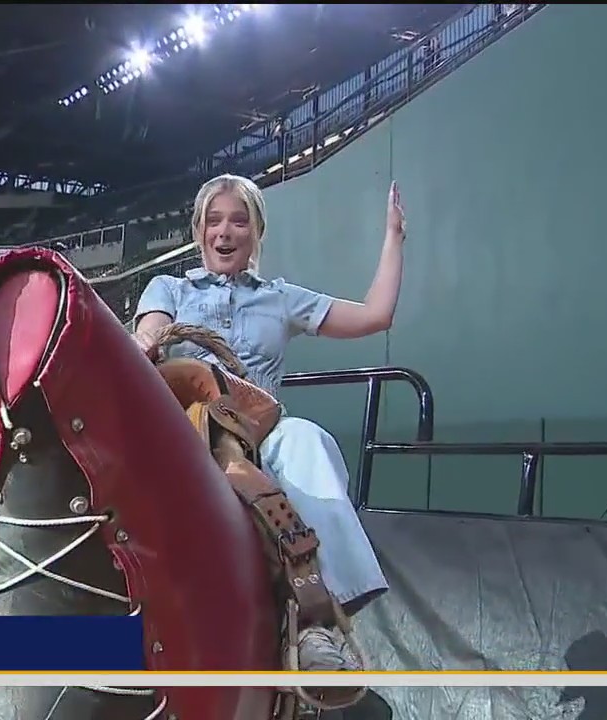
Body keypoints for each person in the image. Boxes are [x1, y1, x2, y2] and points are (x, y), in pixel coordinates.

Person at [132, 173, 406, 675]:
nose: (225, 231)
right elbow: (147, 330)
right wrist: (146, 341)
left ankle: (320, 622)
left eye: (239, 220)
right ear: (198, 232)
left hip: (260, 428)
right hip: (188, 429)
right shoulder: (169, 287)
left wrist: (394, 238)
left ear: (257, 232)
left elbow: (375, 315)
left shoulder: (281, 299)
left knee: (308, 439)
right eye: (214, 220)